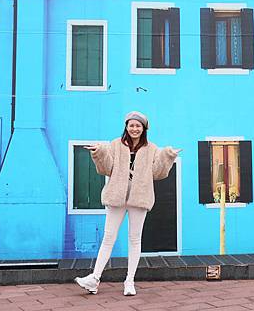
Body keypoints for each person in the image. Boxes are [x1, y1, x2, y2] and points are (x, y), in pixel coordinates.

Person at [75, 111, 181, 296]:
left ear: (144, 128)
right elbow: (106, 168)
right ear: (126, 126)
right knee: (108, 237)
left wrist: (167, 156)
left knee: (134, 239)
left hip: (139, 198)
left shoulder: (152, 148)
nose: (134, 129)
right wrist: (99, 152)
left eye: (138, 125)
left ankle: (129, 281)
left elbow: (157, 173)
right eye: (131, 125)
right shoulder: (116, 144)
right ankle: (94, 279)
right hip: (116, 197)